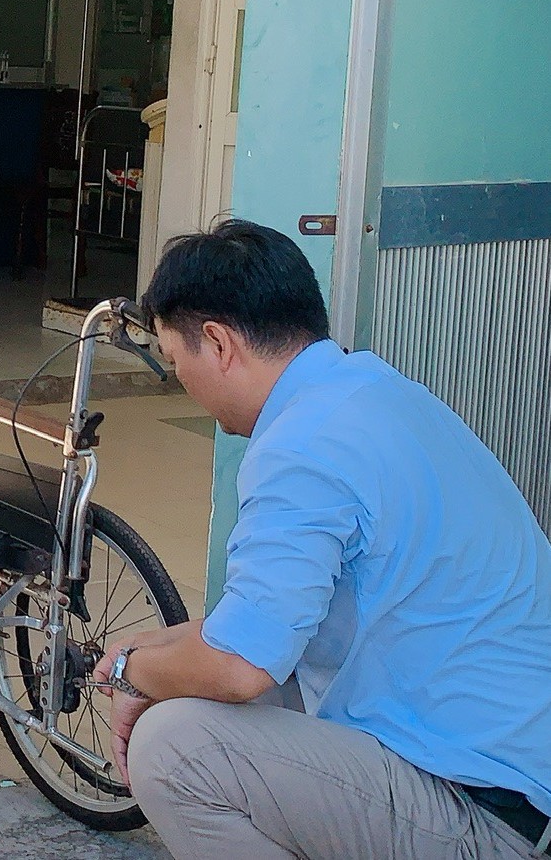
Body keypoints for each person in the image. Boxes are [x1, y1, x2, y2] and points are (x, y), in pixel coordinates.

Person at [89, 220, 551, 859]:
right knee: (214, 684)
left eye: (175, 361)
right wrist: (147, 653)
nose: (183, 385)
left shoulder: (301, 448)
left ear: (218, 344)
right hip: (512, 770)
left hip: (486, 813)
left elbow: (239, 667)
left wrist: (128, 670)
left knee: (174, 746)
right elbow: (255, 630)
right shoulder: (374, 392)